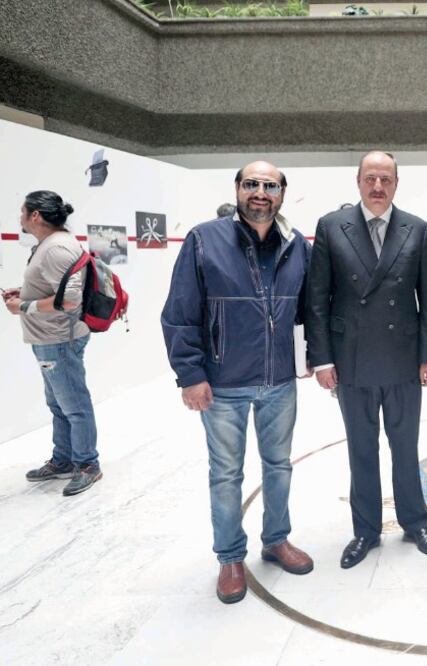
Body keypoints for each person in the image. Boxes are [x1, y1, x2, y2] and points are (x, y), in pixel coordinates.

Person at [161, 161, 314, 605]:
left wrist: (312, 357)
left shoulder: (295, 245)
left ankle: (276, 539)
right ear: (238, 189)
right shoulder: (204, 239)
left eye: (270, 186)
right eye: (252, 184)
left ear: (282, 194)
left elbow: (307, 310)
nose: (260, 193)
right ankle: (230, 557)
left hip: (279, 380)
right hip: (223, 383)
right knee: (226, 474)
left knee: (279, 466)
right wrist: (190, 375)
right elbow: (180, 313)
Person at [305, 150, 427, 568]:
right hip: (352, 361)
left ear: (396, 184)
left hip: (403, 359)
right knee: (361, 450)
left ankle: (415, 522)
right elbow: (317, 300)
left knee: (405, 447)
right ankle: (365, 531)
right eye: (371, 178)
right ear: (358, 181)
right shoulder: (332, 227)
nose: (378, 186)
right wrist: (323, 359)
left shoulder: (417, 229)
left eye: (386, 179)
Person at [4, 191, 100, 496]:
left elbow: (69, 301)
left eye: (22, 212)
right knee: (58, 404)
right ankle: (63, 460)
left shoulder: (57, 249)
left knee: (74, 405)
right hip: (50, 339)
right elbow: (55, 288)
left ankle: (87, 464)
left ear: (35, 216)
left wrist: (23, 307)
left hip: (59, 340)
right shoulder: (50, 245)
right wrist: (23, 291)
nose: (19, 217)